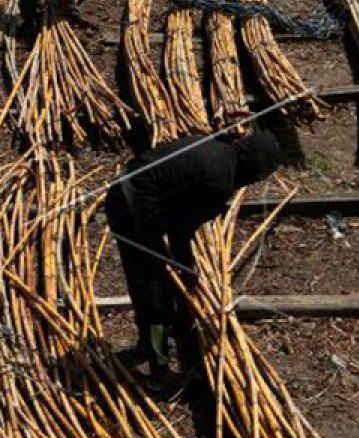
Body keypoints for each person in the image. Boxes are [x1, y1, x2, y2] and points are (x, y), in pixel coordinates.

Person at [105, 131, 282, 376]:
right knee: (156, 289)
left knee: (152, 278)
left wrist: (183, 266)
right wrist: (184, 268)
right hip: (131, 206)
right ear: (253, 170)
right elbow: (180, 229)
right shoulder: (219, 183)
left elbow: (178, 220)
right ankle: (158, 364)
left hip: (126, 192)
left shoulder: (217, 149)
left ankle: (152, 342)